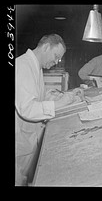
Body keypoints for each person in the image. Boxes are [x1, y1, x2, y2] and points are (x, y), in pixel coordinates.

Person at [15, 34, 83, 186]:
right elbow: (27, 108)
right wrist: (59, 104)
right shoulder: (23, 65)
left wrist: (64, 96)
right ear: (46, 47)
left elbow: (38, 96)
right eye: (56, 56)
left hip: (27, 139)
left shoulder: (34, 66)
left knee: (24, 180)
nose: (56, 62)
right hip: (20, 141)